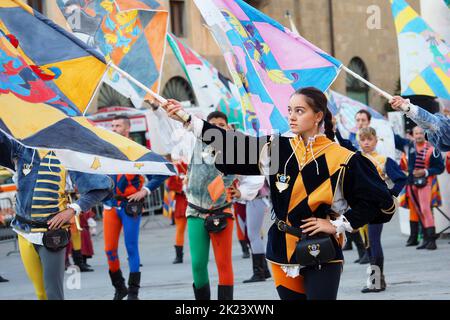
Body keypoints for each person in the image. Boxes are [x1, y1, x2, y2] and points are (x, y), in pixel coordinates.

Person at [162, 87, 398, 300]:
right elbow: (231, 145)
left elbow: (381, 201)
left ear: (318, 116)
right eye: (290, 110)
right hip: (281, 249)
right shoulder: (277, 148)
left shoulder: (343, 157)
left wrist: (338, 225)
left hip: (322, 248)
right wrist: (186, 118)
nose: (292, 116)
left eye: (299, 110)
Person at [0, 132, 112, 300]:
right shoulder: (23, 149)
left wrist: (73, 209)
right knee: (40, 293)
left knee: (53, 294)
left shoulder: (68, 155)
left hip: (51, 234)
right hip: (23, 231)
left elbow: (102, 187)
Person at [103, 115, 168, 300]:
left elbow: (161, 173)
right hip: (109, 206)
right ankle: (119, 287)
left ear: (127, 129)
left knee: (131, 248)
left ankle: (133, 292)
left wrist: (145, 190)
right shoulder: (106, 150)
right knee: (109, 250)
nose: (113, 128)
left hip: (130, 206)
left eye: (117, 125)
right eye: (112, 125)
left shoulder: (138, 151)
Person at [182, 111, 236, 300]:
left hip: (221, 212)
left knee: (224, 264)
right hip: (195, 210)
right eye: (212, 124)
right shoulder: (194, 141)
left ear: (227, 127)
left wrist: (242, 192)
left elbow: (250, 174)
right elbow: (179, 126)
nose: (216, 127)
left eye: (221, 124)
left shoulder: (233, 147)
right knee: (197, 264)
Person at [358, 127, 407, 293]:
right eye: (363, 139)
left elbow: (401, 178)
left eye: (369, 139)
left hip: (377, 207)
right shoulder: (355, 159)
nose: (366, 143)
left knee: (374, 240)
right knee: (367, 243)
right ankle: (378, 281)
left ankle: (377, 282)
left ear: (375, 140)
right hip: (359, 206)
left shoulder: (384, 160)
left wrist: (391, 194)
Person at [399, 126, 445, 250]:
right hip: (412, 183)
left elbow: (440, 168)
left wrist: (425, 171)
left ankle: (432, 240)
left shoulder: (431, 149)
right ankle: (425, 239)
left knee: (425, 210)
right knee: (419, 211)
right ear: (412, 135)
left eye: (420, 133)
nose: (418, 135)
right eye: (416, 133)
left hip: (426, 183)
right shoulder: (410, 147)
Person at [230, 175, 271, 283]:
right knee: (250, 236)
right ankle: (264, 270)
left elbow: (256, 179)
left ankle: (259, 272)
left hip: (254, 196)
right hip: (240, 199)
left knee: (253, 235)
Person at [166, 159, 188, 264]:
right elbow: (170, 184)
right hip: (181, 202)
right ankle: (179, 256)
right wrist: (182, 187)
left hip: (196, 201)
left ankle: (202, 253)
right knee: (180, 229)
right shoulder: (176, 166)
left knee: (201, 229)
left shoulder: (196, 163)